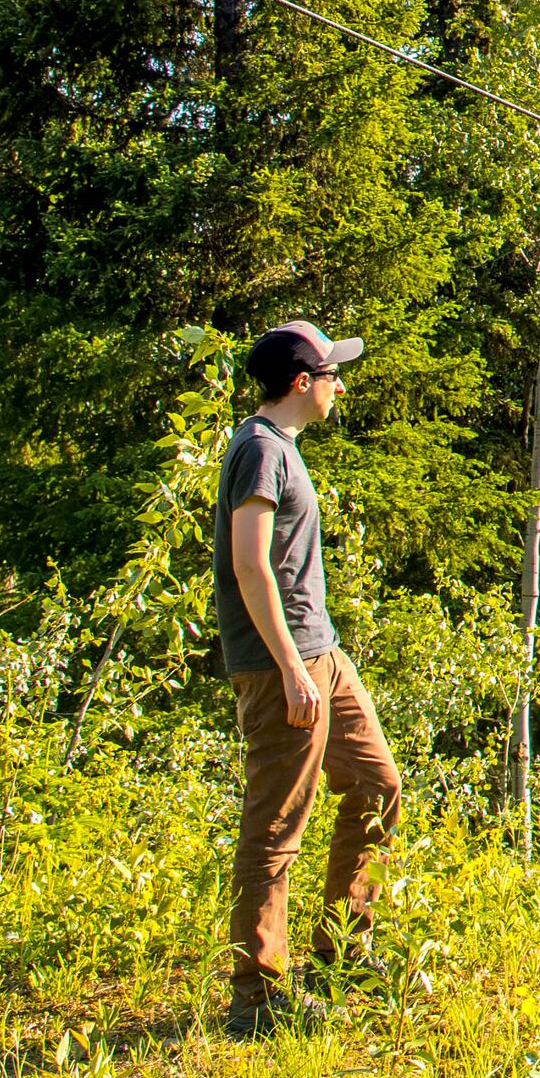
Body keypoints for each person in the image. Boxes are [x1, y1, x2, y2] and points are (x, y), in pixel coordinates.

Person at [215, 319, 400, 1026]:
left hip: (322, 654)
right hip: (280, 667)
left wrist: (315, 659)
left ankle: (343, 948)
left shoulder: (281, 447)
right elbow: (250, 563)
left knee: (378, 783)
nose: (338, 385)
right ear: (302, 383)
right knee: (276, 825)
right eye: (331, 375)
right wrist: (292, 667)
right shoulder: (260, 452)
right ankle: (256, 996)